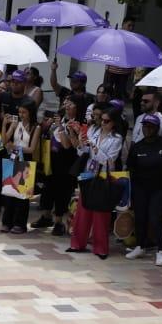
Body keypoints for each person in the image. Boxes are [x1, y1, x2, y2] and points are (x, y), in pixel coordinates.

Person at [67, 107, 125, 259]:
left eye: (107, 121)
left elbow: (109, 161)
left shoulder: (117, 138)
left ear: (114, 122)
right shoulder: (94, 131)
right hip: (88, 173)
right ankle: (77, 244)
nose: (103, 123)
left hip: (103, 176)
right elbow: (82, 152)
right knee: (82, 211)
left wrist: (94, 146)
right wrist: (81, 142)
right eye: (102, 120)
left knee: (101, 214)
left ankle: (100, 248)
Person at [125, 113, 162, 266]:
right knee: (140, 218)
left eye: (151, 127)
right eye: (145, 126)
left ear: (157, 128)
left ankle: (161, 251)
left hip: (160, 188)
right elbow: (130, 168)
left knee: (156, 219)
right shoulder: (137, 147)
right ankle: (140, 247)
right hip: (140, 188)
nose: (147, 129)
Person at [44, 95, 88, 238]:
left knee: (62, 192)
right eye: (66, 103)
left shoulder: (78, 124)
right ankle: (46, 216)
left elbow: (67, 145)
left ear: (78, 107)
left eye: (71, 104)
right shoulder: (61, 118)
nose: (67, 106)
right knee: (48, 188)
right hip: (52, 159)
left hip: (67, 162)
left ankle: (59, 222)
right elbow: (50, 135)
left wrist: (61, 128)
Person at [0, 103, 38, 233]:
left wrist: (15, 147)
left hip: (26, 159)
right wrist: (4, 125)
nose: (21, 115)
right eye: (20, 112)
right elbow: (4, 140)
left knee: (22, 194)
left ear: (30, 113)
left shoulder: (35, 127)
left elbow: (31, 148)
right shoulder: (16, 124)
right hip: (13, 157)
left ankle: (20, 224)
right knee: (9, 190)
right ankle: (7, 222)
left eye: (24, 112)